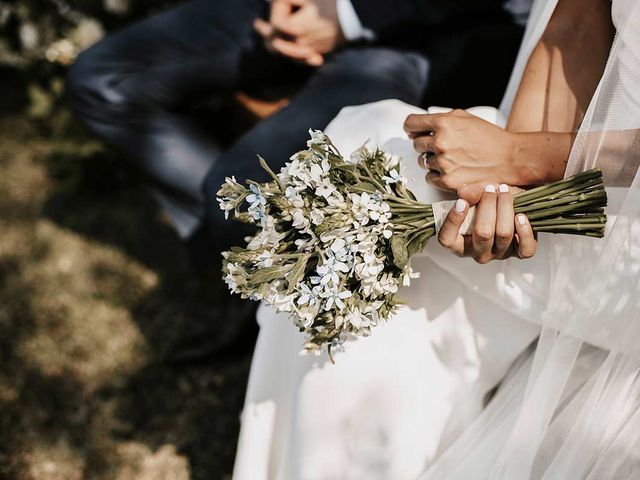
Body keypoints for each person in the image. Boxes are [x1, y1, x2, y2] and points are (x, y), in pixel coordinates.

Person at [234, 0, 640, 478]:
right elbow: (574, 26)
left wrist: (523, 157)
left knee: (390, 188)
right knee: (376, 149)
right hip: (562, 162)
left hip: (622, 238)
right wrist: (503, 185)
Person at [65, 0, 525, 360]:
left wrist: (349, 14)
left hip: (425, 27)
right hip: (294, 7)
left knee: (240, 190)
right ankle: (241, 261)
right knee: (102, 79)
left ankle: (252, 269)